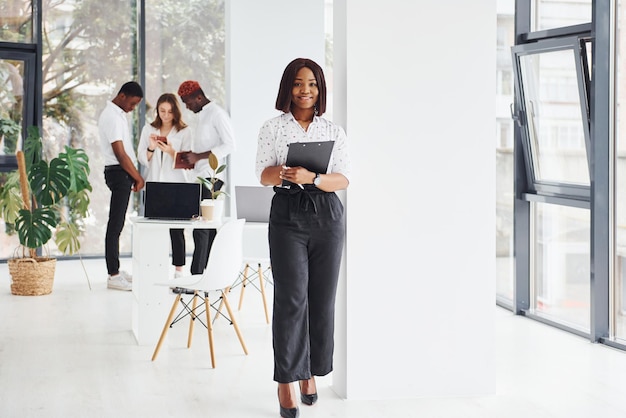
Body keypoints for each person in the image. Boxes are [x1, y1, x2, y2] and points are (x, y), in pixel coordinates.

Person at [255, 58, 350, 418]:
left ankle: (309, 371)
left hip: (327, 215)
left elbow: (343, 179)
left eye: (311, 83)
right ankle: (286, 381)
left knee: (321, 301)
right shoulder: (272, 128)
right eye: (298, 83)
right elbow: (263, 175)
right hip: (288, 216)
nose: (305, 90)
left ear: (320, 88)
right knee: (291, 300)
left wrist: (312, 177)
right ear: (287, 88)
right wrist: (285, 172)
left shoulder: (333, 131)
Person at [177, 80, 236, 274]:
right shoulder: (203, 116)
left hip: (212, 180)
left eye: (188, 102)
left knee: (201, 229)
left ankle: (196, 277)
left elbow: (230, 145)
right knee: (206, 229)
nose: (186, 106)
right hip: (201, 176)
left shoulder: (217, 114)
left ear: (199, 97)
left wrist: (198, 156)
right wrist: (193, 160)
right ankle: (209, 275)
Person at [137, 93, 192, 278]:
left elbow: (189, 162)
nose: (166, 115)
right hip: (155, 185)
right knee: (155, 228)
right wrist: (152, 147)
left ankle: (179, 271)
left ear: (176, 111)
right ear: (157, 111)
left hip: (177, 185)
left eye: (170, 111)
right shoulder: (148, 130)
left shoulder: (185, 131)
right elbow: (142, 159)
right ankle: (154, 269)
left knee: (177, 230)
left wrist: (171, 151)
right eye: (162, 111)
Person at [98, 81, 145, 291]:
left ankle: (115, 270)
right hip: (119, 173)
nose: (133, 108)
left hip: (120, 173)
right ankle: (113, 275)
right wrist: (138, 177)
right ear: (123, 96)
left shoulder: (117, 115)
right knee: (115, 224)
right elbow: (120, 154)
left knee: (117, 224)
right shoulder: (112, 118)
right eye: (132, 103)